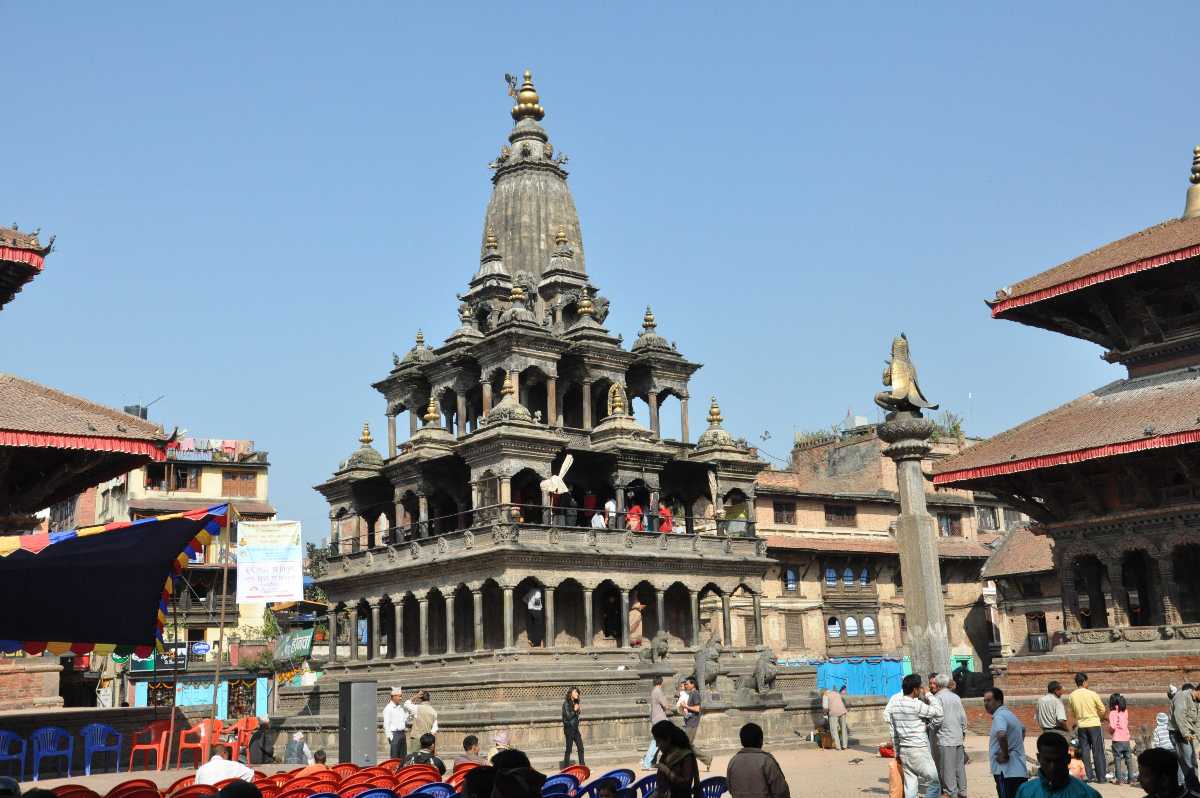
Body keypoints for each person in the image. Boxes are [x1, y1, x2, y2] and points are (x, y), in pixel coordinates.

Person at [883, 673, 944, 798]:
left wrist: (897, 753)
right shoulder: (916, 705)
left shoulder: (894, 706)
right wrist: (928, 694)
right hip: (919, 750)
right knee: (934, 781)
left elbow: (894, 733)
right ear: (915, 689)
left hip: (905, 751)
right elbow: (938, 712)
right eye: (919, 688)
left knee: (910, 785)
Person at [1014, 731, 1100, 798]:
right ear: (1039, 758)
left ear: (1068, 759)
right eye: (1047, 761)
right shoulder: (1025, 792)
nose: (1052, 767)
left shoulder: (1087, 795)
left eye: (1058, 761)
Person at [930, 673, 968, 798]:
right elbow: (963, 717)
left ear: (938, 684)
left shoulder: (937, 698)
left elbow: (937, 719)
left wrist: (928, 727)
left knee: (947, 771)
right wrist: (963, 732)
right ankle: (962, 793)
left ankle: (951, 794)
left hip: (945, 739)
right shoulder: (956, 697)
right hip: (957, 737)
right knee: (959, 769)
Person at [984, 687, 1027, 798]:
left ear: (998, 701)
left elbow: (1001, 734)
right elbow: (1023, 729)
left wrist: (1005, 754)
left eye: (989, 700)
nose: (985, 704)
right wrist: (1015, 746)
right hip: (1018, 770)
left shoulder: (999, 716)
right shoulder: (1009, 714)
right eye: (984, 701)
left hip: (1005, 772)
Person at [727, 722, 790, 798]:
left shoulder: (733, 761)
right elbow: (781, 791)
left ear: (741, 741)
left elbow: (730, 788)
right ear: (761, 740)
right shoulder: (766, 761)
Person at [1066, 672, 1107, 784]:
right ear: (1084, 682)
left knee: (1085, 751)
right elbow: (1102, 709)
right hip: (1094, 724)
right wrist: (1100, 716)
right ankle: (1101, 777)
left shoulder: (1072, 696)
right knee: (1098, 751)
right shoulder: (1092, 694)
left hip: (1081, 726)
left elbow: (1073, 713)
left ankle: (1089, 776)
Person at [651, 720, 700, 798]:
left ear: (668, 739)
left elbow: (685, 784)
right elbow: (661, 787)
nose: (657, 745)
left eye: (658, 741)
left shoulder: (686, 756)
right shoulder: (665, 756)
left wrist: (667, 771)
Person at [1170, 683, 1200, 792]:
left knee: (1193, 762)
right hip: (1178, 733)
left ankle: (1194, 788)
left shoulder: (1197, 702)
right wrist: (1186, 734)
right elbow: (1179, 716)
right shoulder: (1181, 696)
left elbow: (1198, 723)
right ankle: (1194, 789)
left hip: (1188, 734)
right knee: (1188, 764)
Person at [643, 675, 674, 770]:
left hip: (656, 719)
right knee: (657, 742)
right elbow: (665, 705)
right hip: (660, 719)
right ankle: (648, 762)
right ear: (661, 682)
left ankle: (651, 762)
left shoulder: (653, 691)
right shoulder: (658, 691)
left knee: (659, 742)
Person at [682, 676, 713, 769]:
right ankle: (707, 759)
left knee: (686, 745)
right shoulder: (691, 694)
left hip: (692, 723)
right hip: (689, 722)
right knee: (687, 745)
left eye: (687, 684)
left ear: (693, 684)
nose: (685, 686)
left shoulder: (695, 694)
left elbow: (697, 708)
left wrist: (686, 706)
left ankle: (706, 758)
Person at [1108, 693, 1133, 785]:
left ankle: (1119, 780)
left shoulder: (1112, 713)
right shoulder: (1125, 711)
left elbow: (1113, 726)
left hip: (1117, 740)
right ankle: (1131, 779)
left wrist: (1110, 731)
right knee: (1129, 759)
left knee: (1117, 759)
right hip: (1126, 739)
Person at [384, 686, 411, 759]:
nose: (401, 698)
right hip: (394, 735)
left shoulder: (400, 708)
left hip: (402, 734)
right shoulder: (388, 708)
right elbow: (386, 724)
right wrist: (391, 737)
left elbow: (404, 720)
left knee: (403, 757)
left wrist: (409, 714)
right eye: (399, 696)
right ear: (394, 696)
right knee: (395, 758)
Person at [408, 690, 438, 754]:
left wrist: (415, 696)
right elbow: (434, 731)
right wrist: (434, 747)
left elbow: (406, 704)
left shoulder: (416, 708)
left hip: (416, 739)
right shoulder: (433, 711)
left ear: (420, 699)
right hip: (427, 741)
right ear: (429, 699)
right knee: (426, 762)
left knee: (414, 760)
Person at [561, 685, 585, 768]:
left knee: (581, 748)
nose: (577, 694)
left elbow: (575, 716)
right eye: (575, 692)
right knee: (569, 749)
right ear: (571, 693)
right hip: (569, 729)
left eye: (577, 692)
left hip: (575, 728)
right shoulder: (566, 704)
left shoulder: (576, 702)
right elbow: (567, 716)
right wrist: (575, 710)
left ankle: (582, 767)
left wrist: (578, 711)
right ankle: (566, 768)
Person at [822, 686, 849, 751]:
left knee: (834, 729)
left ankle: (838, 747)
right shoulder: (836, 693)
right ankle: (844, 746)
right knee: (843, 728)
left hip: (833, 712)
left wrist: (825, 715)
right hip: (842, 711)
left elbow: (825, 707)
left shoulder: (825, 695)